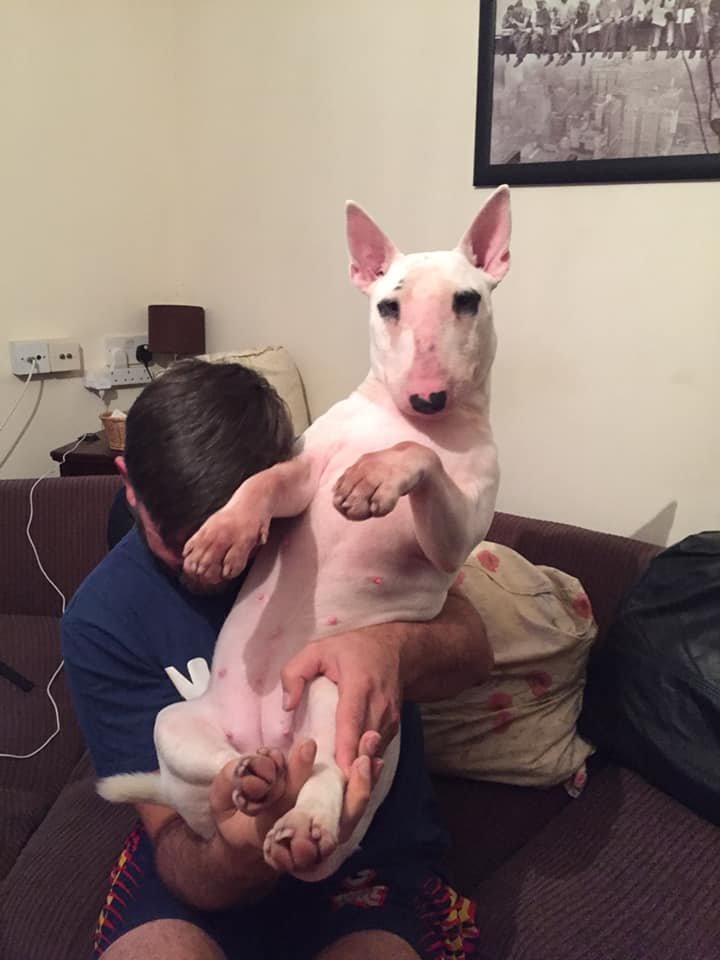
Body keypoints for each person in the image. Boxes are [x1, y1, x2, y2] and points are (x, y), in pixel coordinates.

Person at [62, 359, 494, 960]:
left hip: (371, 860)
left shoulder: (330, 517)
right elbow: (176, 846)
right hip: (213, 848)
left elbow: (474, 650)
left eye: (243, 532)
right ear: (128, 484)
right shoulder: (103, 618)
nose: (220, 564)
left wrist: (388, 646)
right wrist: (240, 848)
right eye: (185, 545)